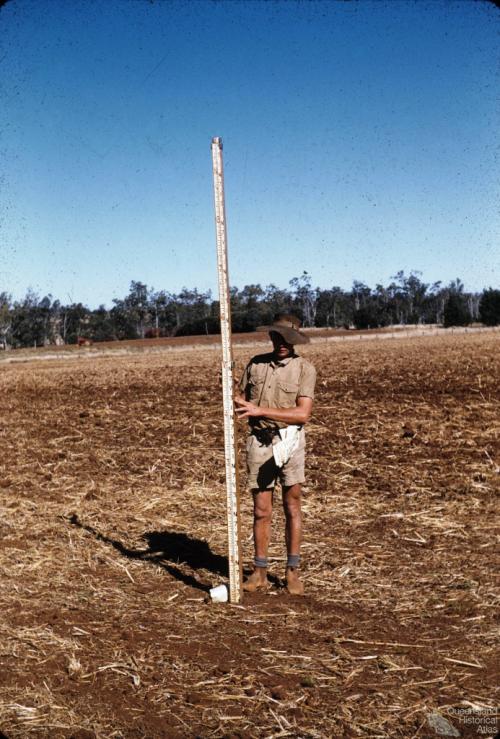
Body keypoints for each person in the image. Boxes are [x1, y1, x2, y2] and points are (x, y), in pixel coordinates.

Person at [234, 314, 316, 595]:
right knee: (261, 510)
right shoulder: (256, 364)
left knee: (292, 506)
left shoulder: (305, 369)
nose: (282, 343)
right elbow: (240, 398)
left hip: (290, 442)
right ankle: (259, 572)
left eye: (288, 339)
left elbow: (303, 414)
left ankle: (292, 572)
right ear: (271, 337)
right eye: (278, 337)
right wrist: (231, 391)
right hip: (259, 442)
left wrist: (260, 411)